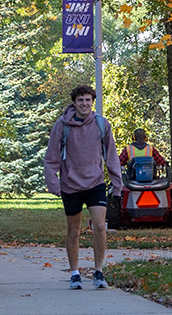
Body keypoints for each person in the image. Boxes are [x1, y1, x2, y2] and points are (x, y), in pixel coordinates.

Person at [45, 85, 118, 291]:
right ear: (74, 103)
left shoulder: (102, 124)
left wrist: (117, 183)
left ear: (92, 102)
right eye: (80, 100)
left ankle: (98, 271)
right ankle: (75, 273)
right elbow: (52, 156)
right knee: (74, 231)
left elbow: (111, 156)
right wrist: (53, 181)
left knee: (100, 226)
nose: (84, 104)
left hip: (96, 183)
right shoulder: (62, 126)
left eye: (88, 100)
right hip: (71, 185)